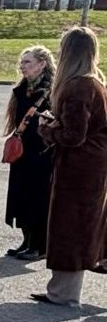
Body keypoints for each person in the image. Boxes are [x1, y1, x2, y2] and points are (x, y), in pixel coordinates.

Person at [31, 25, 107, 307]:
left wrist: (47, 128)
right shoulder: (95, 80)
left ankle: (63, 293)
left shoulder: (78, 86)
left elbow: (73, 136)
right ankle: (62, 289)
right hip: (92, 165)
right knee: (86, 224)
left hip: (79, 167)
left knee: (69, 226)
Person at [3, 45, 56, 261]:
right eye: (22, 62)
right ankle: (27, 241)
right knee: (21, 196)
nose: (22, 67)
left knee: (37, 198)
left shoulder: (51, 90)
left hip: (41, 151)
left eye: (28, 62)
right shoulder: (24, 88)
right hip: (23, 151)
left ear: (42, 64)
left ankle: (38, 245)